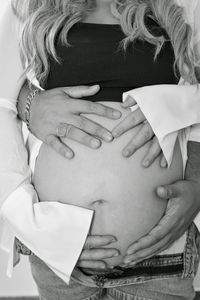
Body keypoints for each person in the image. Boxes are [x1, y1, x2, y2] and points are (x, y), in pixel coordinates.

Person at [1, 0, 200, 299]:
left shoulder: (178, 6)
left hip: (161, 254)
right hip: (58, 255)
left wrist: (198, 184)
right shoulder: (27, 8)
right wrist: (28, 221)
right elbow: (1, 107)